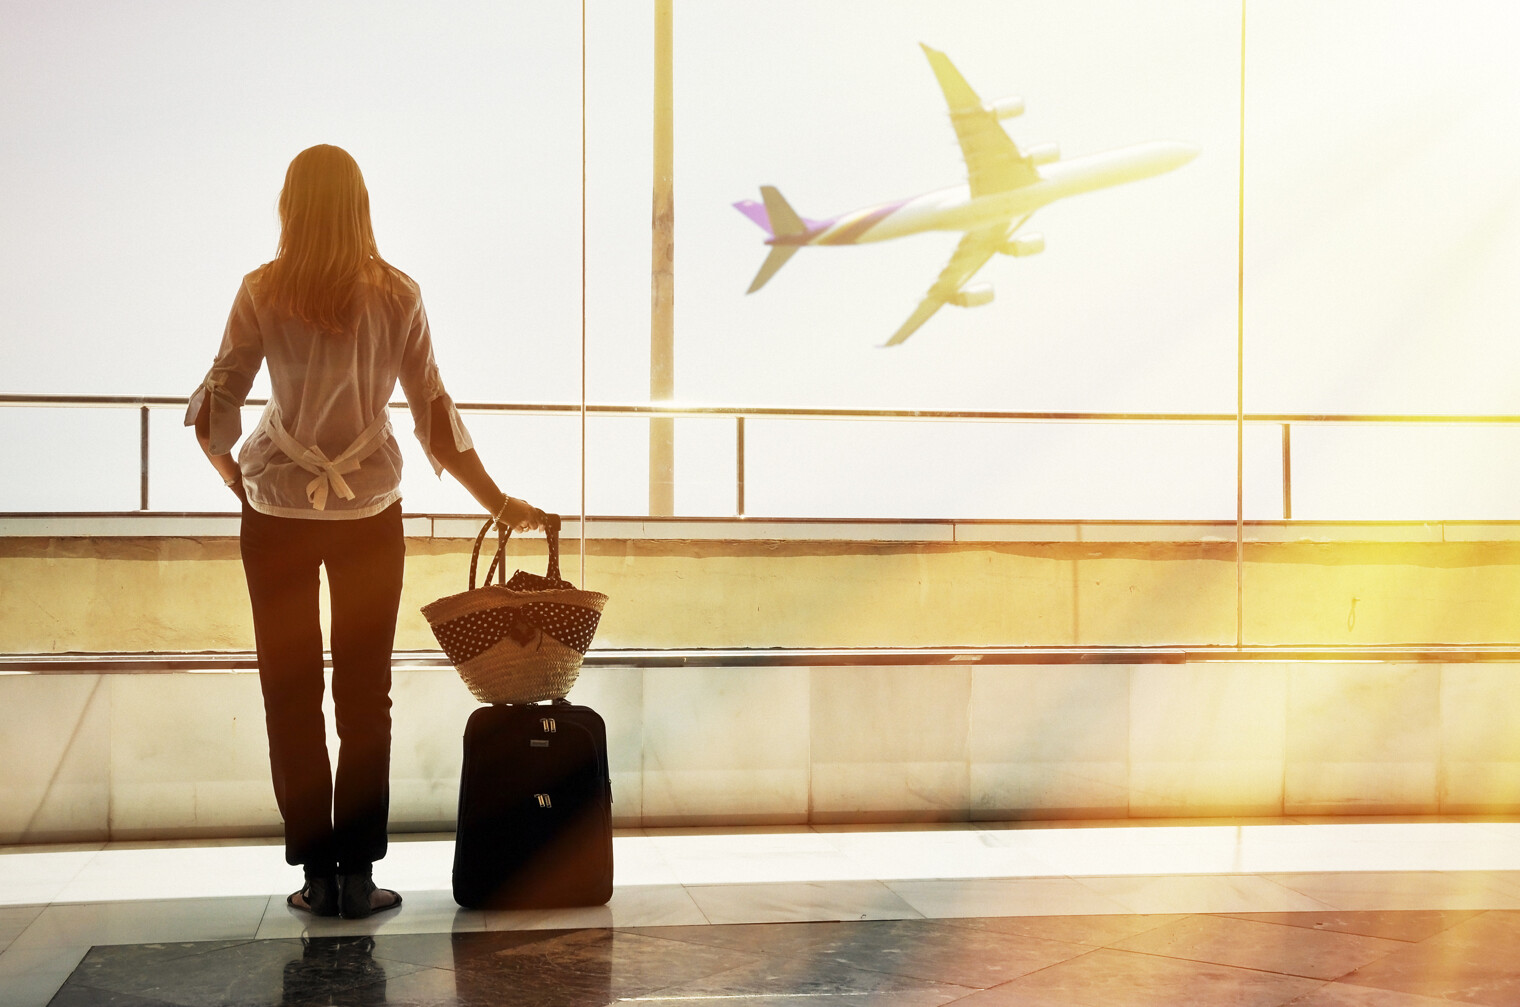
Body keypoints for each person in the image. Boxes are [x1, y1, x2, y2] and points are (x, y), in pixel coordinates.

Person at [187, 144, 545, 919]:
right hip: (370, 515)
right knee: (364, 693)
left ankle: (316, 874)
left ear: (290, 206)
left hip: (275, 512)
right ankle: (357, 876)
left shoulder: (260, 289)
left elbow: (219, 404)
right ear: (361, 206)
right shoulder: (400, 295)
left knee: (290, 690)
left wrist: (238, 478)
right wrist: (498, 499)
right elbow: (434, 417)